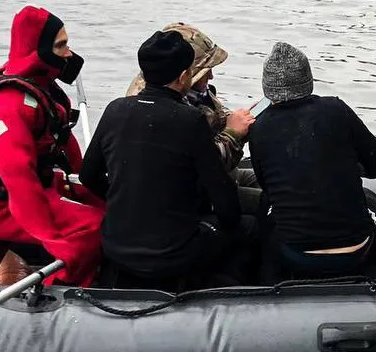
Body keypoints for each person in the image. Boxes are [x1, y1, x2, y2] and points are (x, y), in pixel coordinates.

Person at [80, 29, 256, 291]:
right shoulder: (189, 120)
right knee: (249, 227)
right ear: (184, 76)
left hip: (117, 248)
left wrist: (121, 200)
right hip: (174, 253)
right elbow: (225, 203)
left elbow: (87, 175)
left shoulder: (115, 109)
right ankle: (224, 292)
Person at [0, 5, 104, 286]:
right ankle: (57, 290)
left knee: (111, 208)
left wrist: (95, 188)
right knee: (96, 227)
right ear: (39, 49)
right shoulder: (7, 106)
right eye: (61, 46)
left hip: (41, 188)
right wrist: (53, 238)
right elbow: (19, 180)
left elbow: (65, 147)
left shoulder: (41, 89)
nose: (69, 54)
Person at [247, 41, 376, 281]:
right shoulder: (336, 109)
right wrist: (348, 168)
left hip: (294, 255)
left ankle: (268, 288)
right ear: (308, 80)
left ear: (267, 88)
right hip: (357, 251)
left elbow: (267, 186)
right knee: (373, 202)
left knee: (267, 212)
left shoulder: (259, 127)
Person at [124, 22, 255, 178]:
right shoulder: (166, 110)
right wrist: (233, 134)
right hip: (194, 189)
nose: (211, 76)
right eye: (207, 70)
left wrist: (241, 120)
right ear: (186, 74)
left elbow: (216, 114)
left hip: (222, 176)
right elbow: (208, 166)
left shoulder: (190, 91)